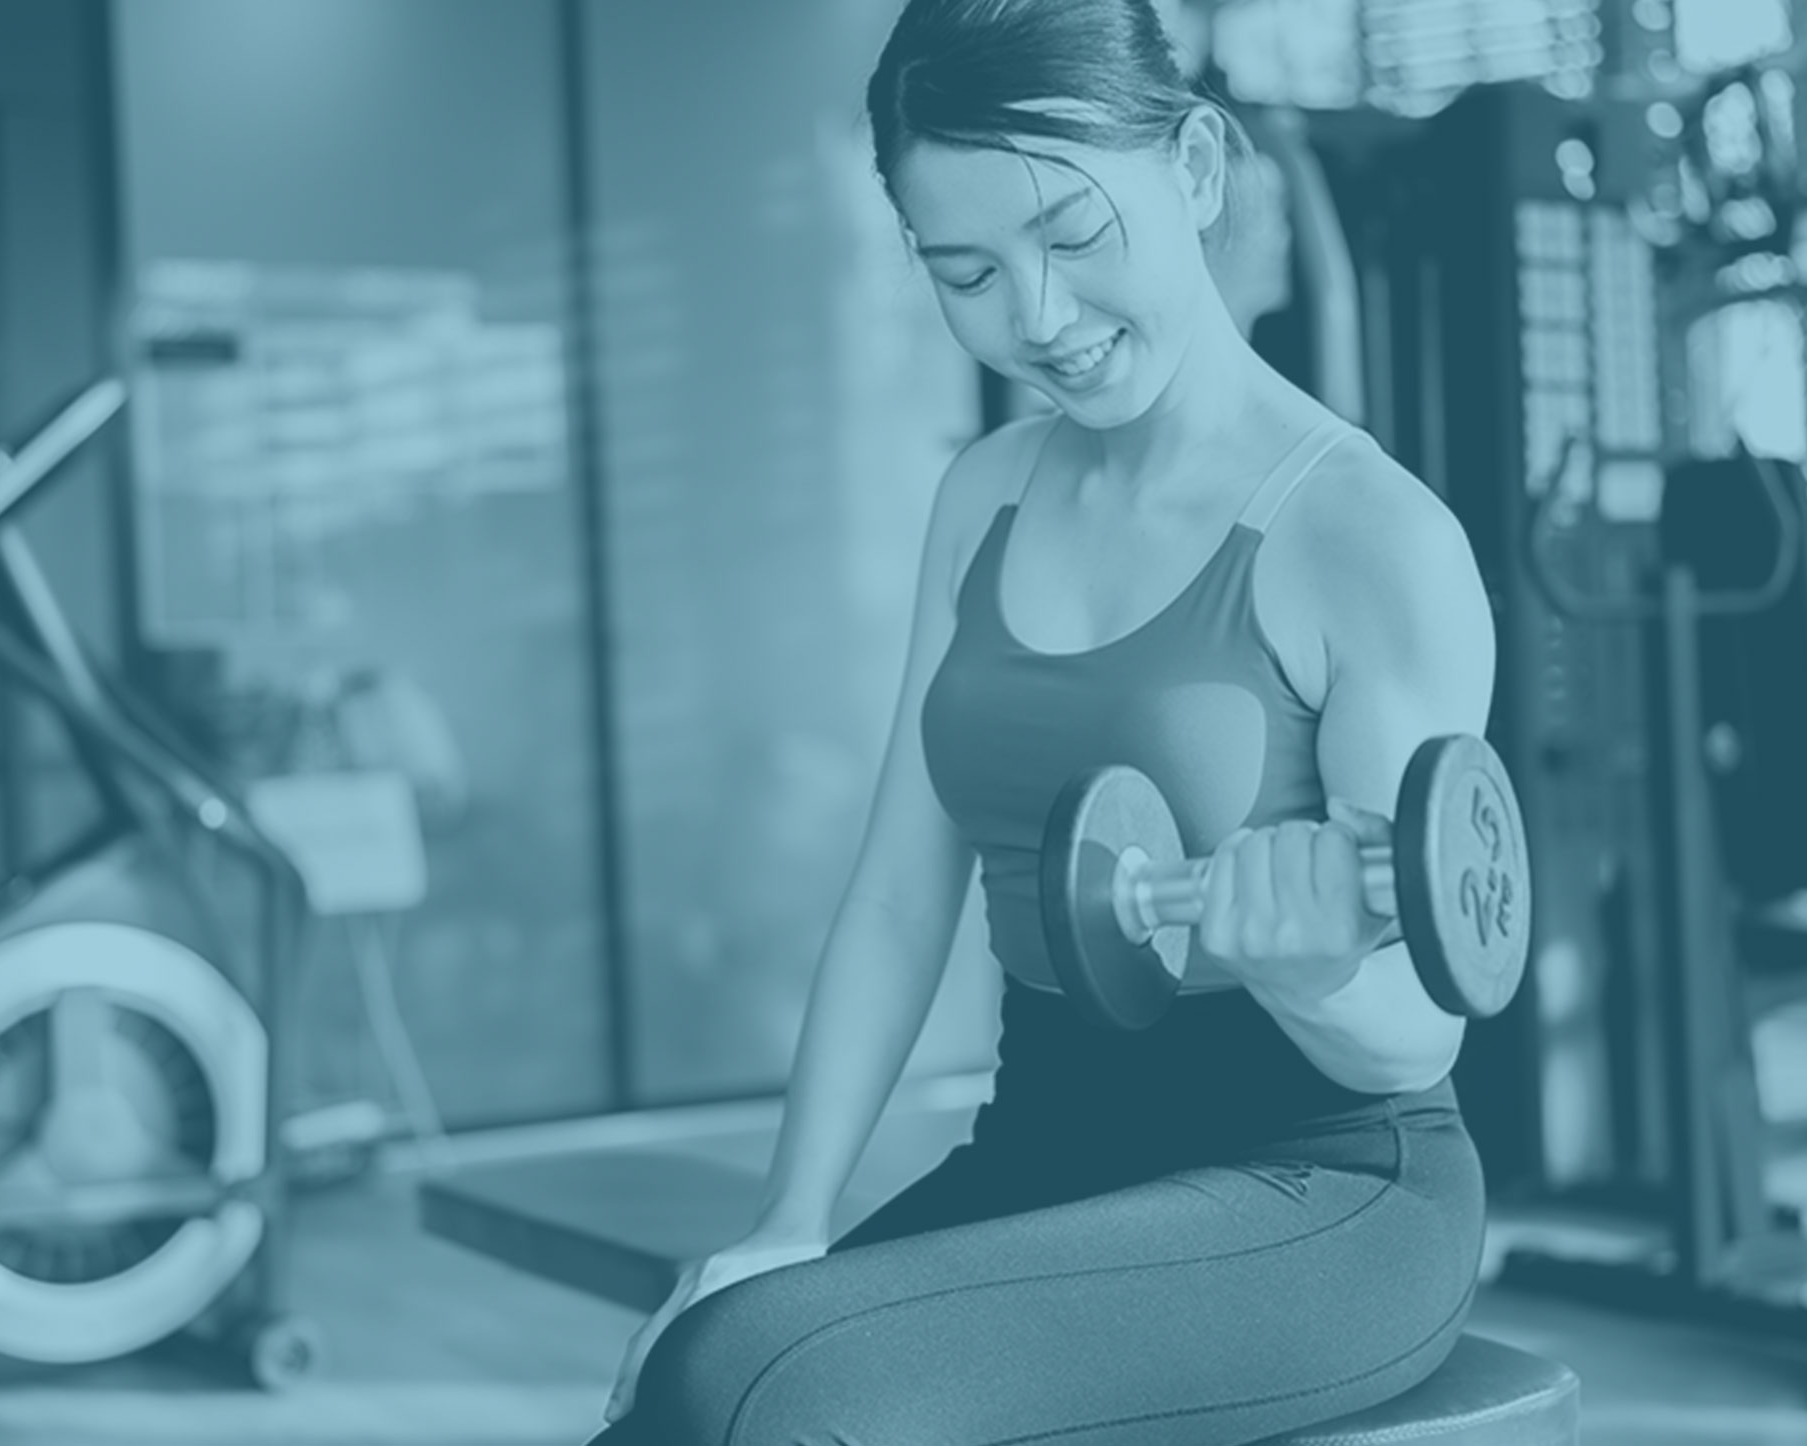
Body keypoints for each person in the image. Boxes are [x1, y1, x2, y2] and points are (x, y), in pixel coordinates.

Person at [589, 0, 1498, 1441]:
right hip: (1050, 1142)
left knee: (768, 1385)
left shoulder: (1370, 538)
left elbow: (1417, 1040)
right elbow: (899, 891)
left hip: (1322, 1181)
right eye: (967, 271)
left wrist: (1310, 970)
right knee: (695, 1365)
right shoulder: (987, 494)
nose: (1039, 318)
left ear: (1196, 169)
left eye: (1075, 238)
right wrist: (791, 1212)